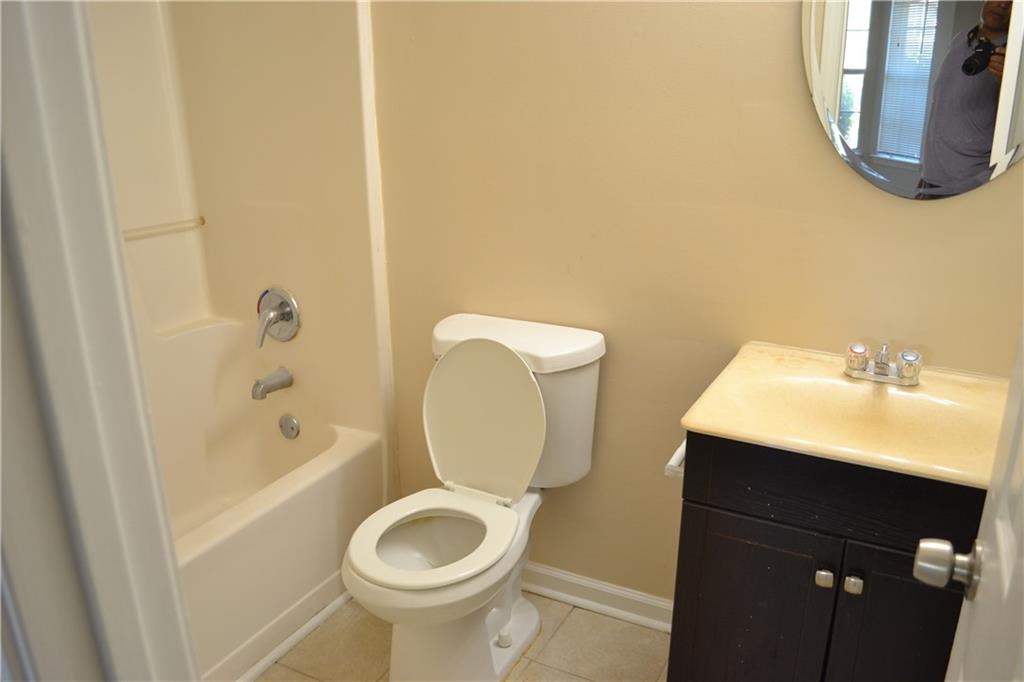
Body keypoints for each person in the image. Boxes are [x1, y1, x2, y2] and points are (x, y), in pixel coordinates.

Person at [917, 0, 1012, 198]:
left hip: (971, 185)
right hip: (931, 179)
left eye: (1012, 2)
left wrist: (1009, 82)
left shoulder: (1014, 56)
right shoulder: (960, 39)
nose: (1003, 4)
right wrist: (927, 174)